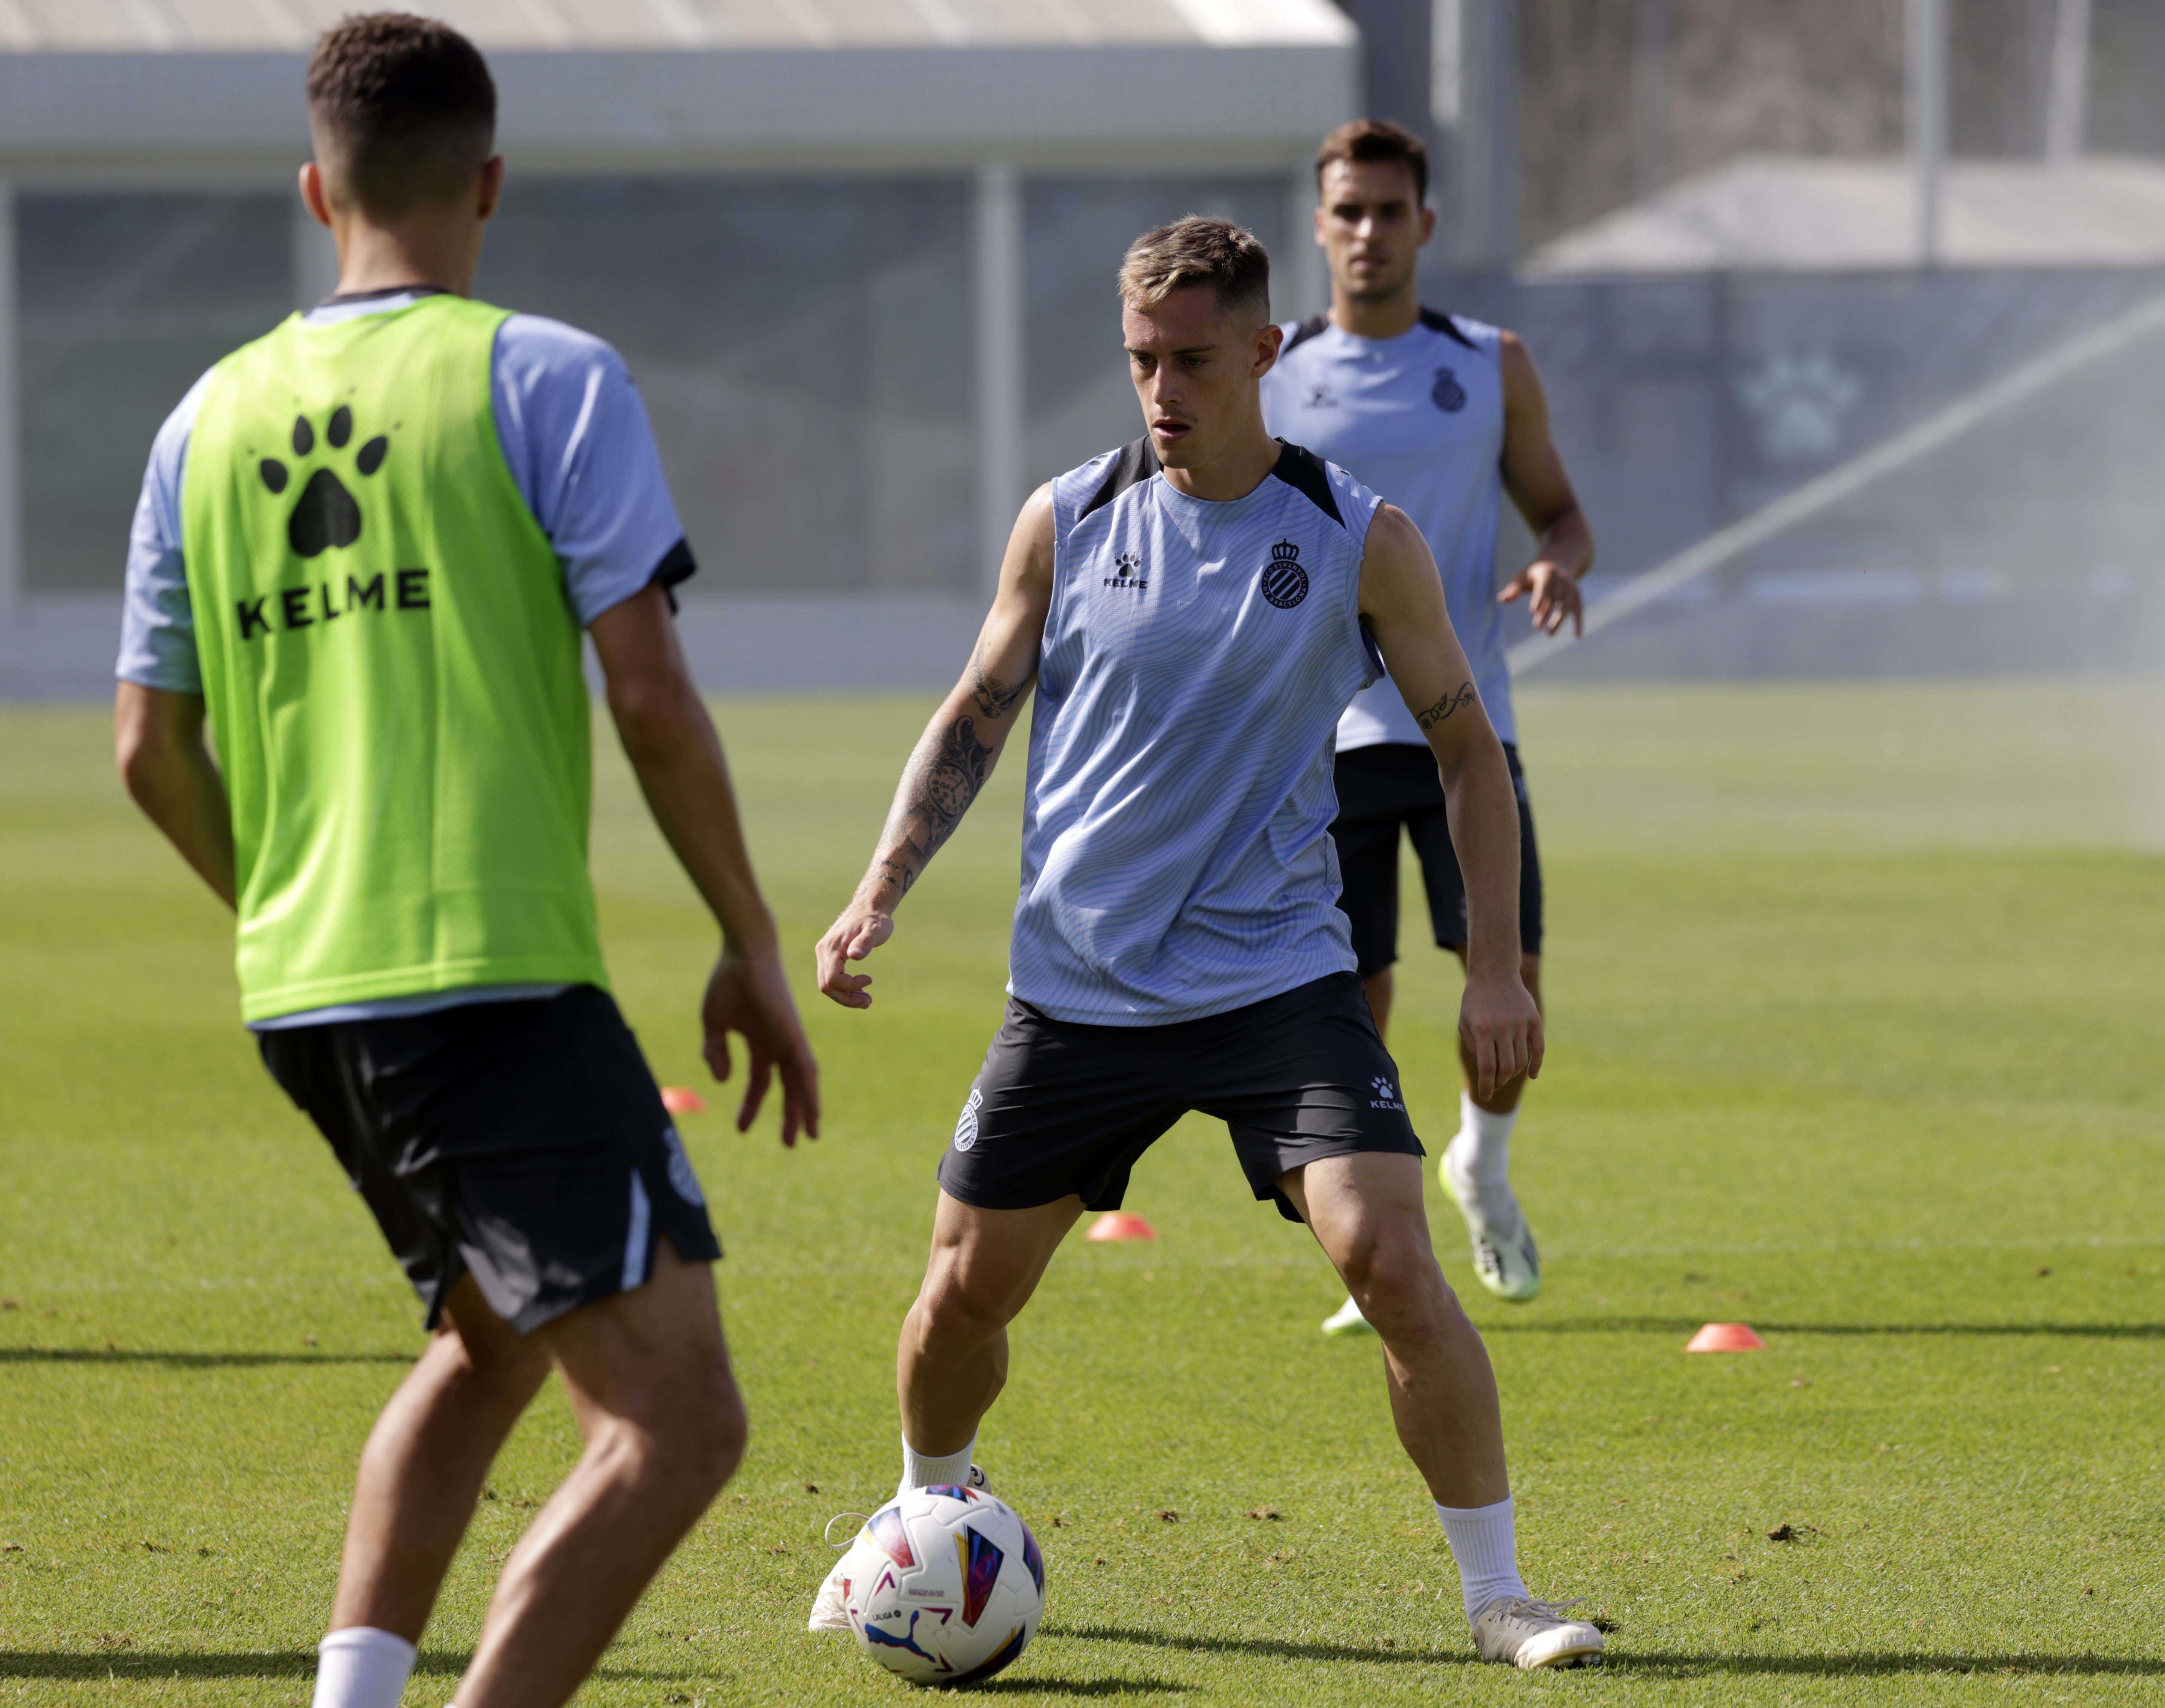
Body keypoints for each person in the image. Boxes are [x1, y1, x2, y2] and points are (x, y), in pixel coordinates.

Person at [112, 17, 819, 1708]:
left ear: (316, 191)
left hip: (309, 995)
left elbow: (146, 747)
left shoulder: (201, 421)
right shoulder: (547, 376)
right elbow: (648, 695)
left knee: (490, 1339)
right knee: (679, 1424)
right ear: (490, 181)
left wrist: (285, 903)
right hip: (489, 983)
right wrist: (749, 936)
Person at [807, 216, 1604, 1669]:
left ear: (1263, 352)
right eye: (1141, 361)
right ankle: (919, 1525)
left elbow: (1469, 754)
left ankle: (1501, 1597)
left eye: (1191, 361)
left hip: (1276, 983)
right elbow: (977, 709)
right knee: (961, 1297)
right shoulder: (1069, 519)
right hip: (1079, 987)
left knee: (1392, 1262)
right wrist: (881, 886)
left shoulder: (1360, 538)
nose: (1162, 391)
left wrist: (1493, 964)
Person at [1262, 120, 1594, 1324]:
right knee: (1351, 1007)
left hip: (1465, 729)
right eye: (1347, 211)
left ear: (1425, 225)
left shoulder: (1489, 362)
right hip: (1321, 742)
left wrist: (1557, 564)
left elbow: (1563, 515)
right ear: (1319, 225)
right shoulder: (1273, 370)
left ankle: (1482, 1172)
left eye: (1388, 211)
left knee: (1513, 984)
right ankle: (1384, 1247)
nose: (1368, 232)